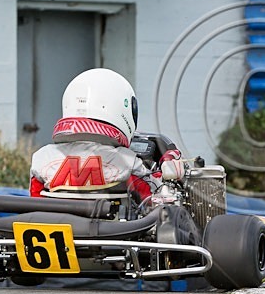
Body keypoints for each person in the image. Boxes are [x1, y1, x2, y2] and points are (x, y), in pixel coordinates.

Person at [29, 68, 183, 201]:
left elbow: (36, 203)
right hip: (113, 225)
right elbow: (155, 197)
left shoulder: (42, 158)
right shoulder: (127, 162)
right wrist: (169, 161)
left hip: (55, 223)